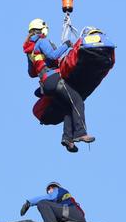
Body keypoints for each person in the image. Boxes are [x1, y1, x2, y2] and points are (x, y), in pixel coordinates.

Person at [23, 18, 95, 153]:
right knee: (77, 100)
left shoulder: (30, 50)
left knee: (68, 107)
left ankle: (68, 138)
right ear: (42, 29)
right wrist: (66, 45)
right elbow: (52, 55)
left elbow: (32, 73)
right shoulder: (42, 41)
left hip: (46, 85)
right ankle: (80, 133)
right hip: (54, 79)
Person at [20, 181, 86, 222]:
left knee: (42, 203)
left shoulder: (57, 190)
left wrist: (29, 202)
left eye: (49, 190)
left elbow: (51, 197)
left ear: (51, 187)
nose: (49, 192)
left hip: (69, 211)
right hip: (75, 216)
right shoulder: (59, 201)